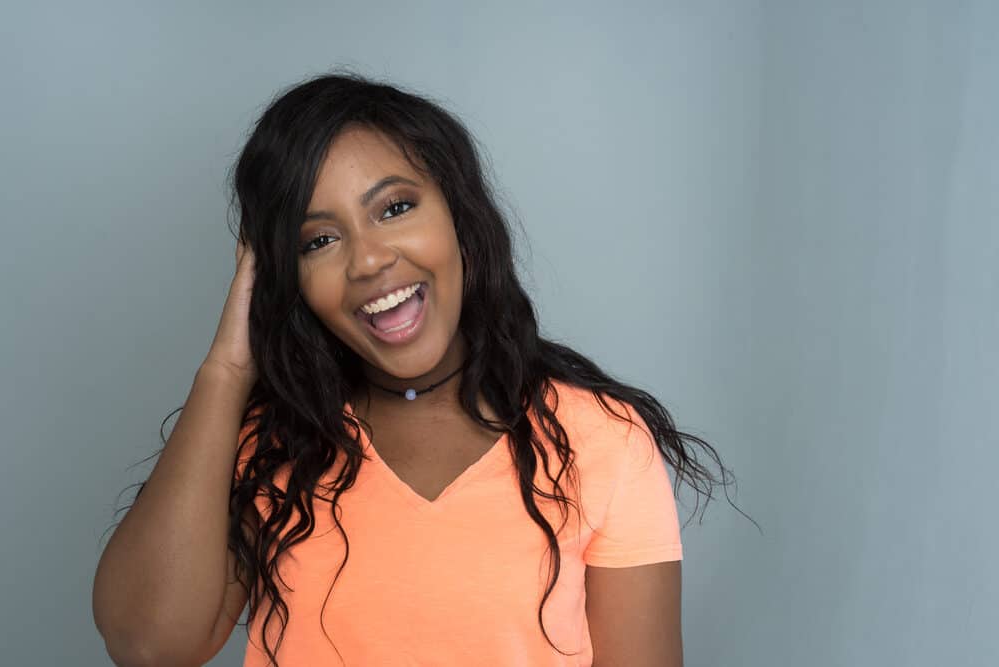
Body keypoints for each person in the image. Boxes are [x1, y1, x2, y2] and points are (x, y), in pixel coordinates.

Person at [93, 70, 751, 667]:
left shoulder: (603, 440)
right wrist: (227, 368)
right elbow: (149, 645)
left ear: (460, 217)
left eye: (395, 208)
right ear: (285, 279)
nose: (369, 260)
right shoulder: (270, 443)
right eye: (319, 240)